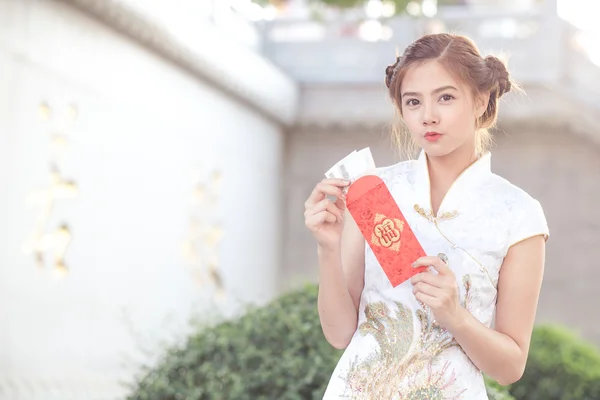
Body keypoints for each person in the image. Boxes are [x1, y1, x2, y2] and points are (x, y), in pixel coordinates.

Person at [303, 33, 549, 399]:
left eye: (446, 98)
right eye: (413, 102)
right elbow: (340, 334)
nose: (428, 116)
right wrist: (327, 248)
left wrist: (455, 315)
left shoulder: (518, 213)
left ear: (480, 101)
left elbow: (510, 367)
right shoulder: (374, 191)